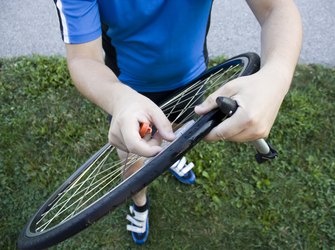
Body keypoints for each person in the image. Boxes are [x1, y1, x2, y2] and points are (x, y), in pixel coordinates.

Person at [53, 0, 302, 245]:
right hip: (128, 91)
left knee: (171, 130)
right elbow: (83, 58)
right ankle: (140, 203)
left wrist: (277, 75)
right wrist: (119, 99)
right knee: (133, 160)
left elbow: (275, 8)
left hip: (192, 79)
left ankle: (168, 152)